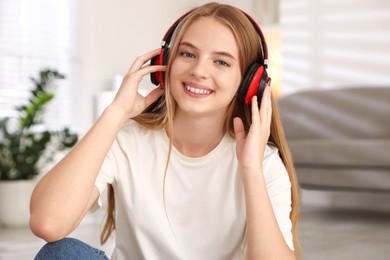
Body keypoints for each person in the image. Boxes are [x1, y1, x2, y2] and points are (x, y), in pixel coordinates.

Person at [30, 2, 301, 259]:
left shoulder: (262, 163)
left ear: (250, 82)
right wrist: (116, 113)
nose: (198, 70)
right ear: (165, 63)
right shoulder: (128, 140)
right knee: (61, 254)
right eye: (188, 54)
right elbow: (48, 223)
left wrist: (251, 169)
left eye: (221, 62)